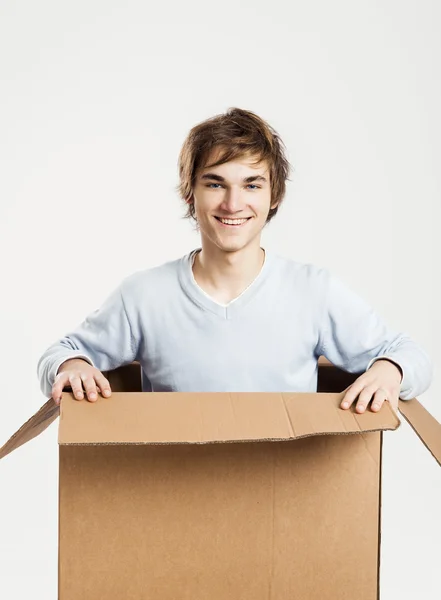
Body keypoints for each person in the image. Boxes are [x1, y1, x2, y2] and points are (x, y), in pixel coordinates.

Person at [38, 108, 432, 414]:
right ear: (189, 193)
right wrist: (71, 365)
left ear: (273, 195)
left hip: (286, 497)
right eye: (215, 183)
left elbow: (410, 354)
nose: (232, 204)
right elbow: (59, 353)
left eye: (252, 184)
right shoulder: (144, 295)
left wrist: (390, 370)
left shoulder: (313, 291)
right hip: (176, 496)